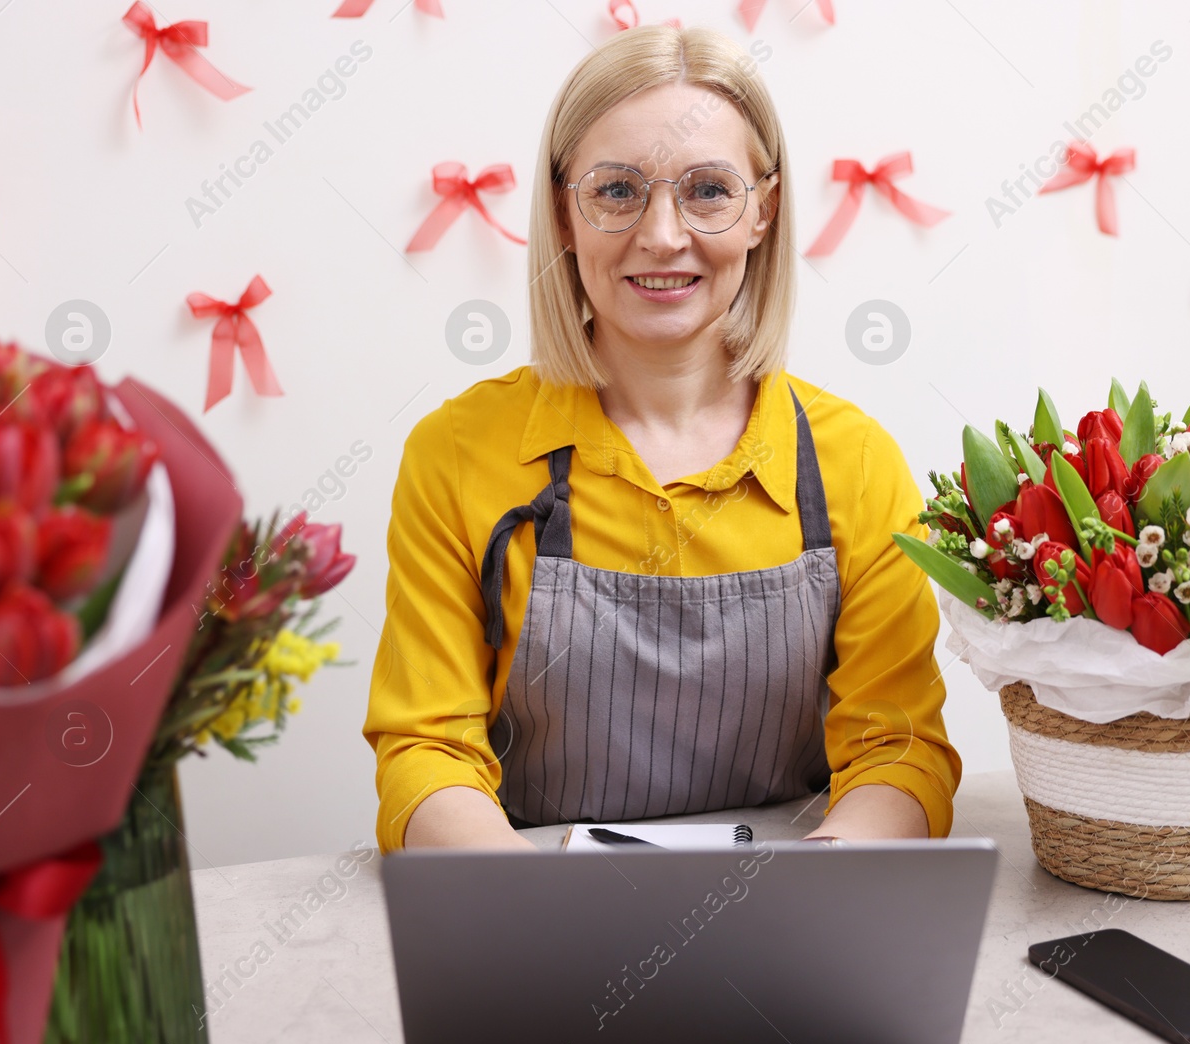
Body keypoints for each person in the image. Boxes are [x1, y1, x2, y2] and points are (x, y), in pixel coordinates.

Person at [363, 25, 960, 852]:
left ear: (764, 211)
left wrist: (815, 893)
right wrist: (542, 911)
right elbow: (425, 752)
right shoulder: (457, 452)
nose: (663, 235)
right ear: (564, 212)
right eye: (617, 190)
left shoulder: (854, 462)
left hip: (782, 918)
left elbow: (897, 750)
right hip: (540, 926)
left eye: (709, 189)